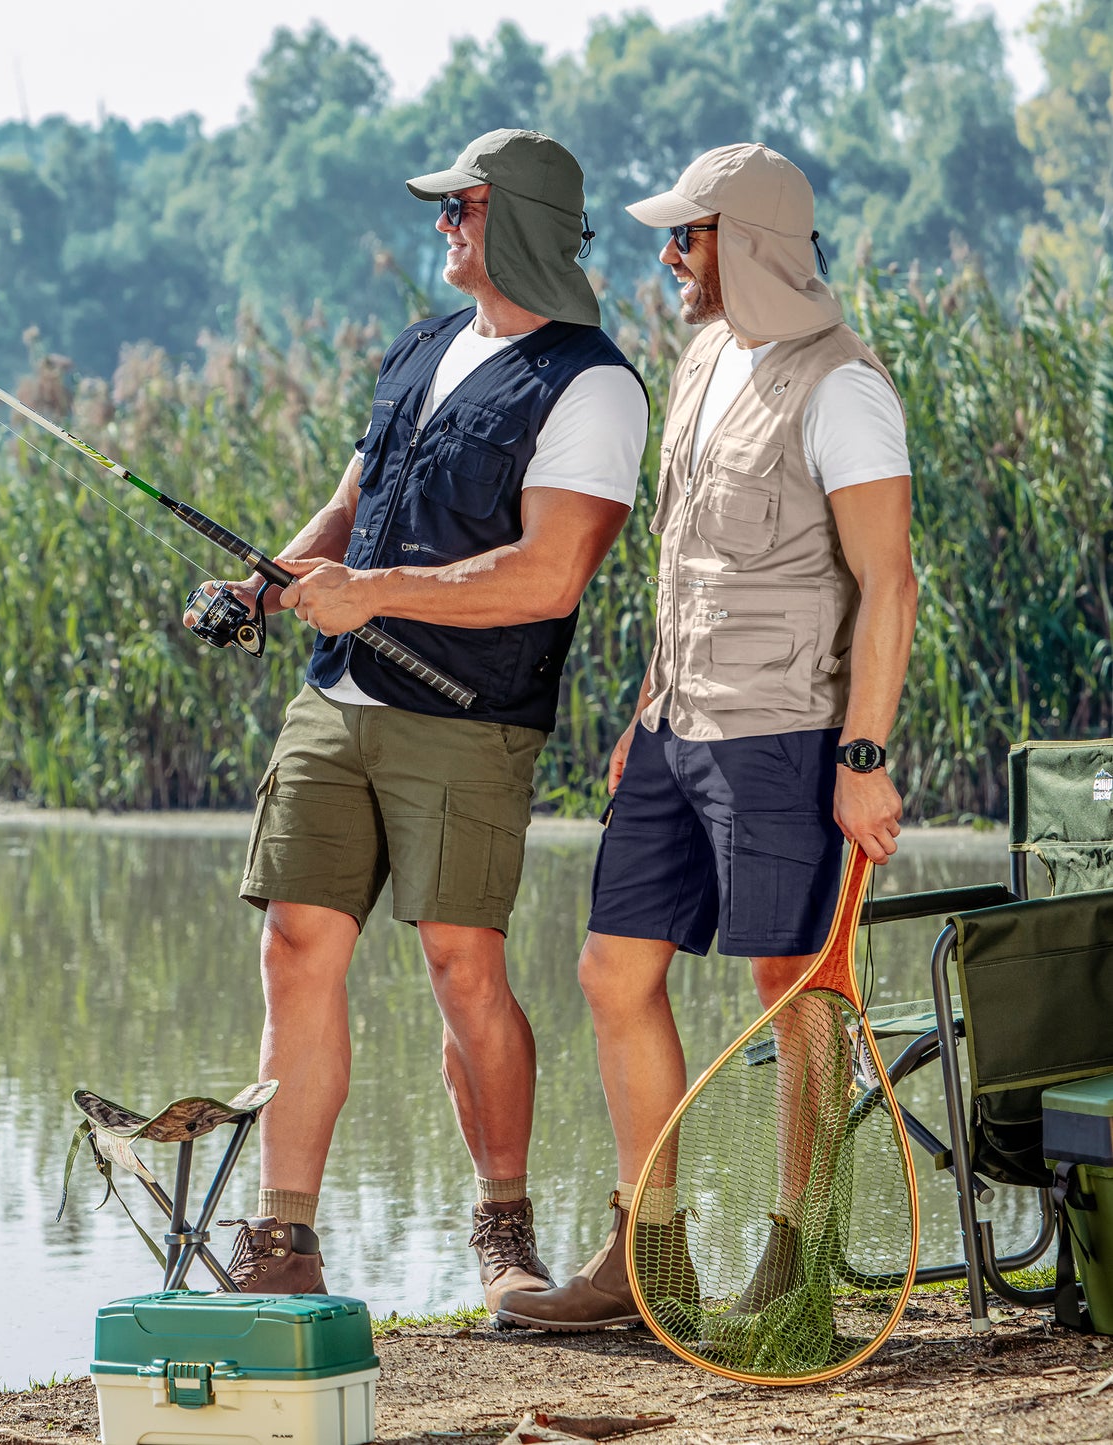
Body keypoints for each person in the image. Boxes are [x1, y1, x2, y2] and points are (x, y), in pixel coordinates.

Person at [195, 129, 648, 1310]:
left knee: (461, 966)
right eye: (443, 205)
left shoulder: (588, 383)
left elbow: (550, 576)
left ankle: (503, 1227)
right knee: (293, 945)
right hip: (333, 695)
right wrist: (266, 581)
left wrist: (375, 593)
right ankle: (281, 1243)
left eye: (464, 204)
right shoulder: (423, 345)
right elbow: (352, 504)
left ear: (522, 220)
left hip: (468, 719)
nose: (442, 220)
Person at [496, 142, 917, 1332]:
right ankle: (651, 1258)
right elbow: (684, 559)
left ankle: (795, 1266)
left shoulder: (842, 386)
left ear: (743, 242)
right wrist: (643, 708)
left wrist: (864, 757)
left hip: (787, 730)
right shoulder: (701, 358)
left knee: (793, 990)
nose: (666, 255)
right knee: (610, 969)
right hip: (676, 724)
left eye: (684, 235)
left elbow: (888, 583)